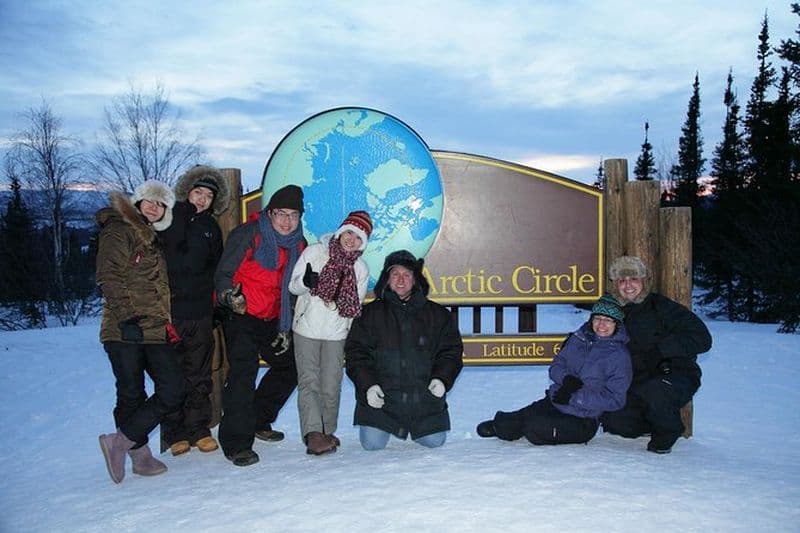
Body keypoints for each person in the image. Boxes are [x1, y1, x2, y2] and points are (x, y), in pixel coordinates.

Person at [96, 180, 185, 484]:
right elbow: (109, 276)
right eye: (149, 201)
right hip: (123, 328)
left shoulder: (150, 238)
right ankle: (140, 455)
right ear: (137, 202)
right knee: (131, 392)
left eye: (160, 204)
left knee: (173, 388)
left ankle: (119, 442)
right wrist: (126, 318)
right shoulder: (119, 229)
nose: (154, 207)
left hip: (154, 329)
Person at [214, 185, 306, 466]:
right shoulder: (249, 234)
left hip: (271, 318)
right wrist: (229, 296)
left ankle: (257, 419)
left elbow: (290, 289)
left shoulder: (297, 244)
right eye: (281, 213)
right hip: (241, 314)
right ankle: (235, 442)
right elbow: (224, 273)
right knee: (244, 371)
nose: (287, 221)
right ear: (269, 212)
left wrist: (284, 327)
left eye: (293, 215)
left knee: (291, 365)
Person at [345, 250, 463, 451]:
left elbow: (450, 351)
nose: (401, 280)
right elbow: (356, 354)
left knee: (435, 441)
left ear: (416, 280)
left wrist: (441, 379)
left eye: (407, 275)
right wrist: (369, 386)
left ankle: (417, 427)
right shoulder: (369, 314)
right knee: (371, 444)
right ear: (386, 279)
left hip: (423, 402)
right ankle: (385, 426)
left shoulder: (438, 315)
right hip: (382, 402)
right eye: (395, 274)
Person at [475, 295, 632, 446]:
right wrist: (566, 380)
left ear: (616, 324)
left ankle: (527, 427)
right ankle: (501, 426)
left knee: (534, 426)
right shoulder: (579, 338)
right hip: (556, 400)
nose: (601, 324)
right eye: (597, 318)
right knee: (522, 416)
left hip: (583, 418)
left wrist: (574, 397)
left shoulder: (619, 355)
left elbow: (615, 399)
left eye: (608, 320)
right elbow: (556, 366)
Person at [600, 255, 713, 454]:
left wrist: (661, 351)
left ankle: (668, 430)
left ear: (643, 281)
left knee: (656, 391)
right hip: (637, 381)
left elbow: (702, 338)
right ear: (615, 284)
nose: (628, 285)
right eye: (622, 280)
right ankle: (653, 420)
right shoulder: (610, 311)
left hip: (675, 375)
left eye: (633, 279)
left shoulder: (662, 307)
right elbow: (589, 336)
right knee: (615, 421)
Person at [288, 211, 372, 455]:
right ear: (340, 231)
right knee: (309, 382)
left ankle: (327, 430)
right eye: (349, 232)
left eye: (358, 238)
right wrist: (306, 282)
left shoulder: (360, 268)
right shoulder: (315, 252)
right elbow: (294, 287)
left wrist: (345, 328)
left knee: (331, 384)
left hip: (336, 333)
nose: (351, 240)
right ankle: (313, 434)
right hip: (307, 328)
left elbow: (357, 303)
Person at [158, 166, 228, 456]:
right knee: (172, 376)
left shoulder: (211, 228)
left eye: (208, 196)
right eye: (198, 192)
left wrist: (216, 306)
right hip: (170, 312)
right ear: (187, 192)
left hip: (200, 312)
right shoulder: (168, 220)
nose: (202, 199)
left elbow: (217, 269)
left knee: (199, 373)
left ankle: (199, 428)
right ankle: (175, 433)